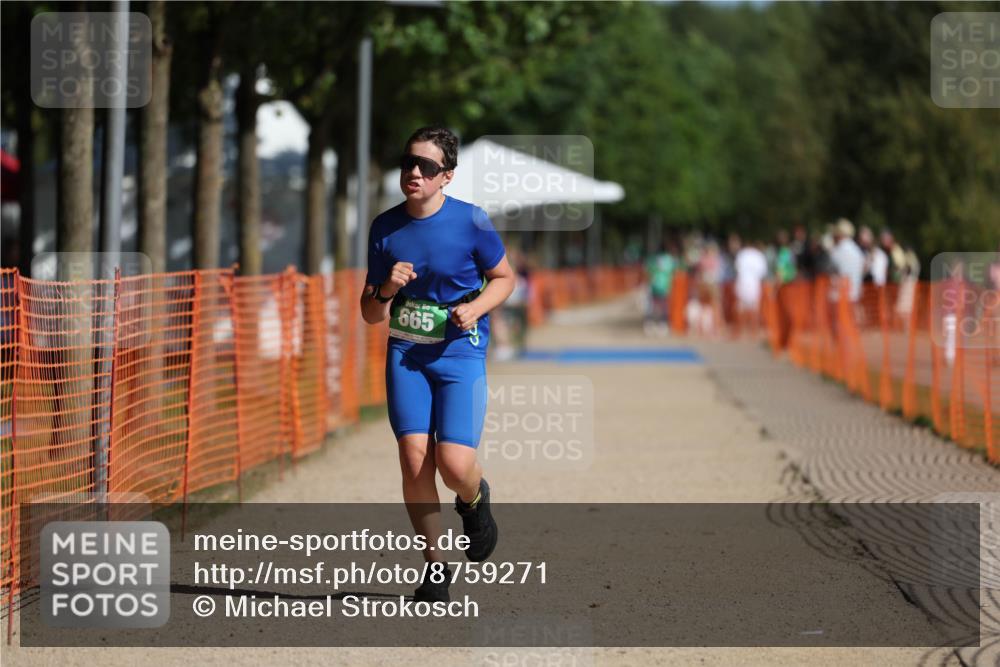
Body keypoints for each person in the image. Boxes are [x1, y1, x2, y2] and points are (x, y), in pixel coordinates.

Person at [360, 126, 515, 603]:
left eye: (426, 166)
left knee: (454, 464)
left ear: (446, 175)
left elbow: (504, 278)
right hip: (407, 353)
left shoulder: (471, 221)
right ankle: (435, 566)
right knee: (413, 459)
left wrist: (477, 307)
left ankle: (474, 498)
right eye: (408, 162)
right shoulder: (385, 227)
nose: (414, 172)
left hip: (460, 352)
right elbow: (370, 313)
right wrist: (387, 288)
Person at [734, 238, 769, 334]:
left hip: (742, 281)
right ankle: (753, 330)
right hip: (754, 283)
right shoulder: (759, 255)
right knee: (754, 307)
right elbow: (763, 272)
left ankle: (739, 329)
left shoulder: (742, 254)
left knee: (740, 306)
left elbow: (737, 268)